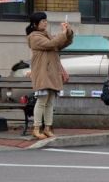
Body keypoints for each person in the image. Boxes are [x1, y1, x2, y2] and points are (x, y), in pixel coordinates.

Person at [25, 12, 74, 140]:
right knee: (42, 101)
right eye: (42, 21)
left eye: (45, 21)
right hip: (42, 73)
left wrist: (68, 32)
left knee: (50, 102)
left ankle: (47, 127)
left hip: (51, 73)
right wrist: (62, 33)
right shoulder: (34, 37)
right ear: (35, 24)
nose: (45, 23)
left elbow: (61, 44)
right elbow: (51, 44)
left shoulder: (46, 35)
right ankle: (36, 128)